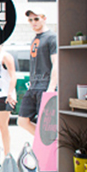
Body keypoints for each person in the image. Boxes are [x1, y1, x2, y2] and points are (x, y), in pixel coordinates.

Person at [18, 8, 58, 136]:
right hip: (33, 86)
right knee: (22, 121)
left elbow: (56, 63)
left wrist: (51, 88)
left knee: (45, 123)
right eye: (30, 20)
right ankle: (42, 141)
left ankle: (46, 144)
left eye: (36, 19)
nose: (33, 22)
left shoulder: (52, 37)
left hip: (45, 86)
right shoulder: (35, 39)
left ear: (44, 19)